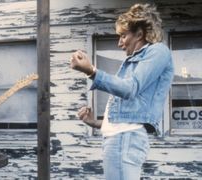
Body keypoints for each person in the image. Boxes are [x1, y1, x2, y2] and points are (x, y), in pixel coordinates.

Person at [70, 3, 174, 180]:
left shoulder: (158, 51)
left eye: (123, 36)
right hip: (119, 138)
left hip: (124, 139)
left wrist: (91, 71)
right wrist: (94, 122)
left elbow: (130, 88)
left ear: (140, 34)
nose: (119, 43)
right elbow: (127, 116)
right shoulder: (137, 59)